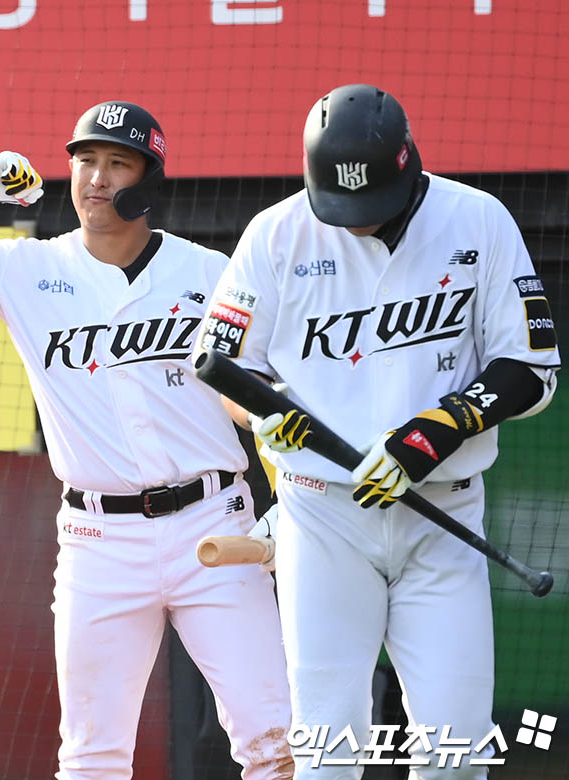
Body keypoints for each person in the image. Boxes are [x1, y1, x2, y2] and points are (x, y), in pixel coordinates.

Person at [0, 101, 294, 780]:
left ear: (148, 179)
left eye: (116, 162)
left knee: (274, 739)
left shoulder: (211, 273)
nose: (96, 178)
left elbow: (264, 396)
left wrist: (286, 497)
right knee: (93, 757)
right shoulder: (22, 268)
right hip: (100, 541)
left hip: (215, 524)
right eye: (84, 161)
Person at [196, 83, 560, 778]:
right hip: (321, 511)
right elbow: (223, 371)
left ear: (407, 166)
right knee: (329, 743)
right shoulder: (275, 234)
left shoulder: (477, 220)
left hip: (442, 511)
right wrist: (272, 411)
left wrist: (435, 431)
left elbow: (533, 367)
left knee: (457, 746)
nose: (355, 221)